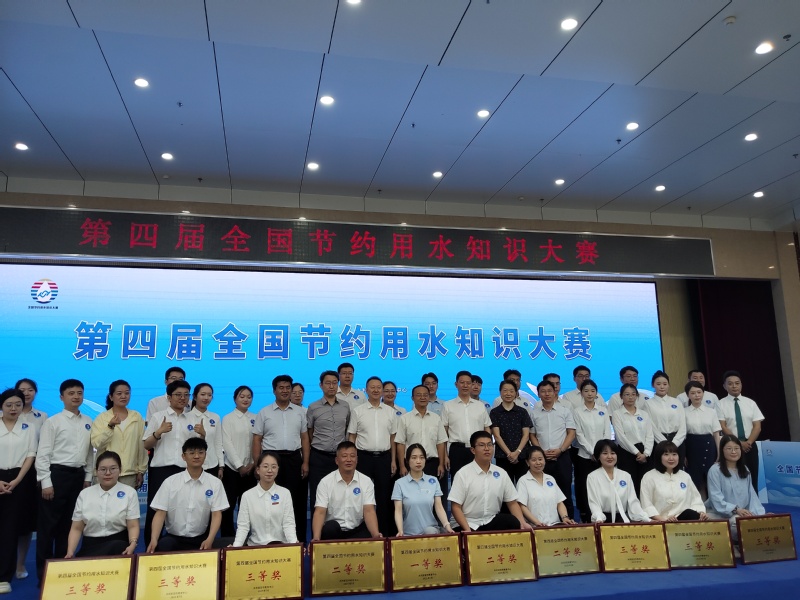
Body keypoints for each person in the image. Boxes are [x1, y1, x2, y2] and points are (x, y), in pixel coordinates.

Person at [36, 379, 93, 582]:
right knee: (48, 528)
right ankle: (44, 576)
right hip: (56, 476)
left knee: (69, 526)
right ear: (62, 397)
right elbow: (43, 454)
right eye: (71, 393)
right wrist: (46, 483)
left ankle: (61, 570)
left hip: (78, 477)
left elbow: (90, 453)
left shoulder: (88, 421)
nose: (76, 396)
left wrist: (88, 477)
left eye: (79, 393)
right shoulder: (53, 422)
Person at [252, 375, 310, 543]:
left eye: (288, 387)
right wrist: (258, 465)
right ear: (274, 390)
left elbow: (305, 438)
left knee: (296, 501)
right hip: (271, 459)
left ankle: (298, 541)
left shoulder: (299, 412)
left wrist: (305, 462)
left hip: (294, 459)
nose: (285, 391)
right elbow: (257, 439)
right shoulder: (264, 412)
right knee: (270, 500)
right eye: (281, 388)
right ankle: (270, 540)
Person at [146, 437, 230, 552]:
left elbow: (216, 514)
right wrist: (154, 539)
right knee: (164, 544)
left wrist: (210, 539)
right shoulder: (170, 482)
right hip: (174, 538)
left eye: (201, 452)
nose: (196, 456)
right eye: (191, 453)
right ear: (183, 456)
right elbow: (160, 513)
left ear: (205, 455)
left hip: (201, 538)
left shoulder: (215, 483)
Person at [142, 379, 200, 544]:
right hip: (161, 470)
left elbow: (196, 448)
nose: (182, 398)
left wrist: (202, 436)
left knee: (181, 511)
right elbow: (146, 444)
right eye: (178, 395)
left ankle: (176, 546)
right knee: (156, 509)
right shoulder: (158, 417)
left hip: (184, 471)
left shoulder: (192, 419)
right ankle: (151, 546)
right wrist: (158, 432)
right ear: (169, 397)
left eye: (186, 395)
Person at [448, 431, 531, 533]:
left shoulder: (501, 473)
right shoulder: (462, 474)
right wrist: (467, 530)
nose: (487, 448)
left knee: (512, 522)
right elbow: (455, 507)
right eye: (482, 445)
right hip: (467, 522)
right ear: (473, 450)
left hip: (490, 520)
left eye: (490, 445)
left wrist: (522, 523)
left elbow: (512, 502)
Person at [65, 451, 139, 558]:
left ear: (120, 470)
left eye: (113, 469)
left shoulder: (129, 493)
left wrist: (133, 544)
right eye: (103, 469)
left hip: (118, 545)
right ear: (96, 471)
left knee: (119, 546)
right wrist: (70, 552)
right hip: (91, 545)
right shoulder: (85, 494)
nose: (108, 473)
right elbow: (76, 528)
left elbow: (133, 525)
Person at [347, 376, 397, 535]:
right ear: (366, 390)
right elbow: (352, 436)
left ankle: (384, 534)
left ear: (382, 390)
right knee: (362, 496)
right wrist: (352, 459)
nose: (376, 390)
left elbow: (393, 438)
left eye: (378, 387)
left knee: (384, 498)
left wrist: (393, 460)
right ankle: (363, 533)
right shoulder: (358, 411)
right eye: (372, 387)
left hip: (384, 458)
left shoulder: (390, 412)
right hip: (363, 458)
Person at [0, 388, 36, 595]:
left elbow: (30, 455)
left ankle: (4, 577)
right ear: (1, 406)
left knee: (10, 529)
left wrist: (17, 480)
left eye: (18, 405)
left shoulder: (29, 427)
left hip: (19, 479)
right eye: (9, 405)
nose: (13, 408)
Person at [311, 441, 382, 541]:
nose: (349, 460)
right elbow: (320, 512)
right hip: (335, 531)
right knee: (330, 527)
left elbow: (369, 511)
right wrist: (316, 538)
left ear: (357, 460)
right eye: (344, 456)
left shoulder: (366, 481)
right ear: (337, 460)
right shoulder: (325, 482)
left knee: (367, 532)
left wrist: (375, 534)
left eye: (352, 456)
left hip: (357, 529)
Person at [528, 379, 576, 519]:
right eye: (543, 391)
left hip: (562, 456)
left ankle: (568, 521)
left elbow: (571, 433)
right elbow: (532, 435)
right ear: (538, 394)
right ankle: (548, 521)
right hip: (542, 459)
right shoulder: (534, 413)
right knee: (544, 491)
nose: (547, 394)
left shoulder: (565, 411)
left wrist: (561, 449)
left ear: (555, 392)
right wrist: (540, 452)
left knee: (565, 491)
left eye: (549, 391)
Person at [14, 378, 46, 581]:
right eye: (22, 390)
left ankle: (20, 564)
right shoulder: (3, 415)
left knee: (25, 523)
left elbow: (43, 448)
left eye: (30, 390)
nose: (26, 393)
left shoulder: (42, 417)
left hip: (31, 474)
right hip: (5, 471)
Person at [705, 435, 765, 540]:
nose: (733, 452)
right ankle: (735, 543)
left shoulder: (745, 469)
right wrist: (735, 509)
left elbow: (752, 496)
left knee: (755, 521)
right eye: (729, 448)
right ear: (722, 450)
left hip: (742, 513)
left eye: (736, 448)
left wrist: (761, 515)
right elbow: (715, 498)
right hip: (720, 513)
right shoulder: (715, 470)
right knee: (737, 523)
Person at [307, 370, 351, 515]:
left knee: (339, 495)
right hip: (319, 457)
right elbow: (310, 432)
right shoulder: (313, 407)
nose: (331, 386)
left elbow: (346, 428)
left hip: (339, 459)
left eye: (334, 383)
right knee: (317, 495)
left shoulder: (345, 406)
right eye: (328, 383)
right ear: (321, 385)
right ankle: (317, 529)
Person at [233, 451, 298, 547]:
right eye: (265, 466)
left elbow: (288, 524)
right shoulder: (247, 496)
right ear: (258, 470)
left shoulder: (285, 493)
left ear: (278, 469)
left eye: (274, 467)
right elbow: (243, 527)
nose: (270, 470)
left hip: (280, 547)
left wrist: (294, 543)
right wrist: (235, 547)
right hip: (256, 547)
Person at [90, 380, 147, 489]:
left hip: (129, 474)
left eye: (127, 393)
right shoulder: (102, 418)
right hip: (106, 473)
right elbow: (97, 444)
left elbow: (141, 446)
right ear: (111, 397)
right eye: (119, 393)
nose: (123, 396)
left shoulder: (136, 417)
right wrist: (110, 426)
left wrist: (141, 470)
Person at [394, 385, 448, 497]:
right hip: (411, 464)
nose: (422, 397)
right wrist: (402, 466)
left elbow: (441, 442)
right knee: (412, 496)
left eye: (425, 395)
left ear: (428, 397)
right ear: (412, 398)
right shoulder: (405, 418)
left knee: (434, 497)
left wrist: (441, 464)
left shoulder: (436, 418)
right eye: (419, 395)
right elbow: (400, 443)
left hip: (432, 463)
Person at [572, 378, 612, 522]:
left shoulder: (603, 411)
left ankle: (604, 515)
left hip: (603, 456)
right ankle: (587, 516)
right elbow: (579, 435)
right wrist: (593, 452)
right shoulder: (577, 412)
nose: (589, 394)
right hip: (585, 456)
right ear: (581, 393)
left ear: (596, 393)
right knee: (585, 487)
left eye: (592, 391)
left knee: (603, 486)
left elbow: (607, 432)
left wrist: (602, 452)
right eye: (586, 391)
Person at [220, 385, 257, 537]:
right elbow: (227, 444)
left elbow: (258, 442)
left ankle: (247, 536)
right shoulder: (228, 418)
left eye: (249, 397)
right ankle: (228, 537)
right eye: (242, 396)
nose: (245, 399)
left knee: (248, 506)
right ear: (235, 399)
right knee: (228, 505)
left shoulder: (256, 418)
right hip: (232, 469)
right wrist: (239, 466)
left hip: (251, 469)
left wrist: (253, 464)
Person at [392, 444, 453, 536]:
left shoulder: (433, 481)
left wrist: (447, 525)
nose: (418, 461)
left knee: (429, 531)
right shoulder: (399, 483)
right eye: (414, 458)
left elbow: (439, 507)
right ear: (407, 460)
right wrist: (400, 531)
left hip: (431, 532)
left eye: (422, 458)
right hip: (409, 534)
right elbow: (398, 510)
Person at [718, 371, 764, 491]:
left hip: (750, 445)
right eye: (730, 384)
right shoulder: (720, 404)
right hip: (731, 446)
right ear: (724, 386)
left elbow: (757, 426)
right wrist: (738, 443)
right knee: (733, 478)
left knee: (752, 477)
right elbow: (723, 426)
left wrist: (748, 442)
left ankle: (754, 501)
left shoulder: (750, 403)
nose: (734, 386)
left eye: (737, 383)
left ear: (741, 385)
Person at [640, 441, 708, 521]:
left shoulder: (685, 476)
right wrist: (664, 521)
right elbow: (647, 505)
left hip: (685, 520)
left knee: (691, 514)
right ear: (659, 456)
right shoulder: (649, 477)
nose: (671, 458)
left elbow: (696, 500)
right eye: (666, 454)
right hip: (661, 522)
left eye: (674, 454)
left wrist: (701, 514)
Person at [442, 371, 492, 478]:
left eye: (468, 383)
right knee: (458, 481)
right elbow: (443, 433)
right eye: (462, 382)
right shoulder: (448, 405)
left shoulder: (480, 406)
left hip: (478, 449)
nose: (465, 385)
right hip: (457, 450)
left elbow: (487, 428)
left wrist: (488, 449)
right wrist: (445, 455)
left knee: (480, 480)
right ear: (456, 384)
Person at [586, 440, 649, 523]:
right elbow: (593, 502)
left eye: (613, 453)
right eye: (605, 453)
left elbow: (633, 501)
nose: (609, 456)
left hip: (622, 519)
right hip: (602, 520)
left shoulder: (625, 475)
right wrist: (599, 518)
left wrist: (645, 518)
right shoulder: (592, 477)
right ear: (598, 456)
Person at [610, 383, 653, 495]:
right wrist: (637, 453)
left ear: (637, 396)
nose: (630, 397)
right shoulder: (617, 414)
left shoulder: (644, 414)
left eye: (633, 394)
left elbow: (649, 435)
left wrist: (646, 453)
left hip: (645, 452)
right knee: (629, 485)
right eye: (627, 394)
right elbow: (621, 437)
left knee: (645, 485)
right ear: (621, 396)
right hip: (627, 452)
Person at [516, 446, 575, 527]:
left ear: (544, 460)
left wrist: (565, 517)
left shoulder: (550, 479)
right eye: (534, 460)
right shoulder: (523, 481)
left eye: (540, 459)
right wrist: (537, 522)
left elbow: (559, 502)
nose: (538, 463)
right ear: (527, 462)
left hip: (554, 525)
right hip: (535, 527)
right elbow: (522, 506)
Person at [490, 379, 532, 483]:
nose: (508, 393)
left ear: (516, 393)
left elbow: (526, 435)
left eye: (511, 391)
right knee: (504, 487)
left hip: (522, 456)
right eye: (505, 390)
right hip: (503, 456)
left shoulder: (522, 412)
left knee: (523, 486)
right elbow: (497, 436)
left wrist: (517, 452)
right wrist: (509, 454)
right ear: (500, 392)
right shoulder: (495, 412)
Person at [683, 381, 721, 498]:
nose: (696, 395)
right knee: (696, 479)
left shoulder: (711, 412)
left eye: (699, 392)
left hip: (709, 446)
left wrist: (719, 453)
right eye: (693, 393)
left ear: (703, 393)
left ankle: (713, 504)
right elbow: (682, 435)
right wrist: (684, 455)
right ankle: (700, 504)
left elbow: (716, 434)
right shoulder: (683, 412)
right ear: (688, 395)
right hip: (691, 447)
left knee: (710, 478)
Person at [643, 370, 687, 464]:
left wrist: (675, 443)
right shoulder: (648, 404)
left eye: (665, 384)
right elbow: (651, 426)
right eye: (658, 384)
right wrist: (664, 443)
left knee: (677, 469)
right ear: (653, 385)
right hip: (657, 442)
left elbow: (683, 425)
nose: (662, 387)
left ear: (668, 385)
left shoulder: (676, 402)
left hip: (677, 442)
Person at [190, 383, 224, 478]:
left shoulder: (215, 417)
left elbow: (218, 443)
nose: (206, 398)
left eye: (209, 395)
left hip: (212, 464)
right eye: (203, 394)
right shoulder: (186, 417)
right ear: (195, 397)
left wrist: (221, 466)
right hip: (192, 465)